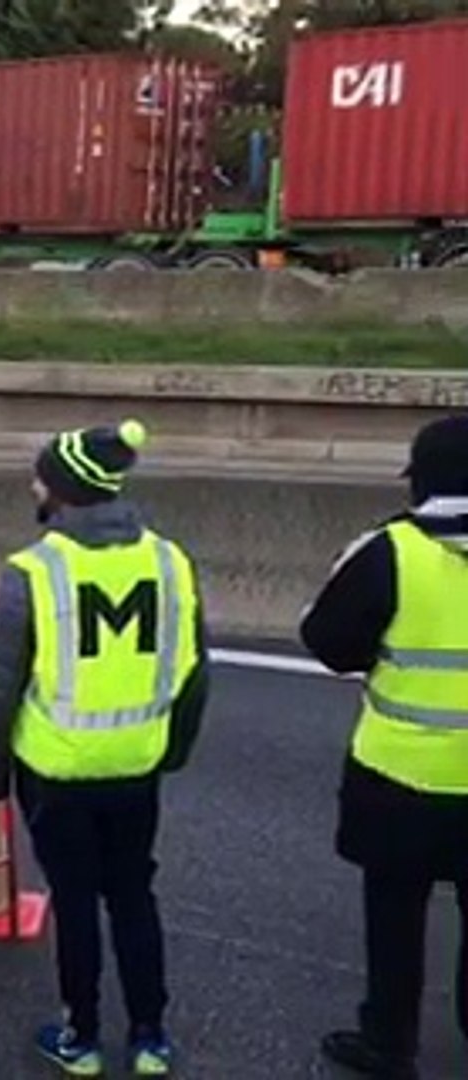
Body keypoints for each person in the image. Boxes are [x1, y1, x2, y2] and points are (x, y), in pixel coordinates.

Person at [0, 419, 211, 1078]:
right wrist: (171, 750)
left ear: (60, 491)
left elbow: (1, 687)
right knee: (134, 895)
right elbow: (195, 673)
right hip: (136, 763)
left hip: (55, 770)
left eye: (39, 478)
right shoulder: (169, 559)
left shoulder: (33, 569)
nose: (32, 485)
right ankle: (149, 1037)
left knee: (75, 903)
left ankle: (79, 1037)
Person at [300, 413, 468, 1079]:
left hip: (399, 776)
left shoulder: (387, 552)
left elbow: (328, 644)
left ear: (420, 480)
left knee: (393, 913)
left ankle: (388, 1041)